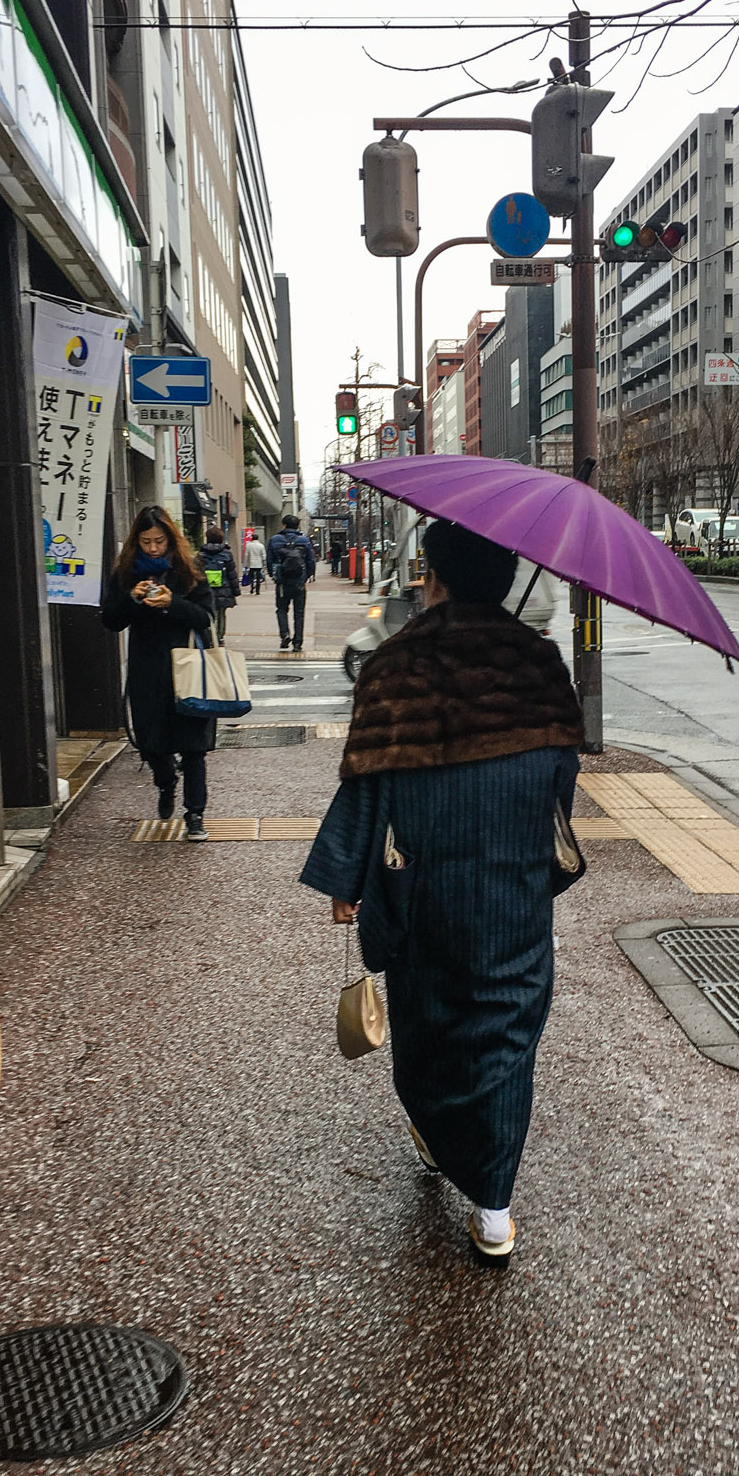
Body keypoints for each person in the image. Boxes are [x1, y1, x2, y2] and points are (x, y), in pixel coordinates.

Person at [300, 520, 585, 1268]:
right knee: (506, 1030)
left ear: (434, 577)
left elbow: (367, 782)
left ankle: (432, 1133)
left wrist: (345, 877)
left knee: (427, 1021)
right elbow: (563, 783)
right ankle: (494, 1207)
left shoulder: (397, 664)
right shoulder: (539, 661)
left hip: (421, 879)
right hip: (513, 884)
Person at [101, 505, 214, 842]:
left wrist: (171, 603)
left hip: (188, 666)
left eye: (159, 541)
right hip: (147, 670)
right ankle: (166, 783)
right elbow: (110, 620)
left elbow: (204, 616)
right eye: (146, 541)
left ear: (171, 540)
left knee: (193, 747)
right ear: (136, 541)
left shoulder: (188, 571)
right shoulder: (125, 573)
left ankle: (195, 814)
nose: (153, 548)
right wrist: (131, 600)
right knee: (151, 743)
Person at [268, 513, 316, 651]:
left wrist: (274, 576)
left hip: (282, 582)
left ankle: (284, 635)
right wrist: (306, 576)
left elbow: (270, 560)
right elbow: (310, 560)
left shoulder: (275, 540)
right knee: (299, 612)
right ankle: (298, 642)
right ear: (297, 526)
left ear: (284, 525)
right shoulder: (304, 540)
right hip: (299, 581)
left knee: (281, 610)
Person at [197, 525, 240, 636]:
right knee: (221, 613)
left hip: (206, 589)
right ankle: (219, 636)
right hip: (223, 589)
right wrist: (236, 591)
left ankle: (210, 635)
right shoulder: (226, 554)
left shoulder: (201, 555)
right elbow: (232, 574)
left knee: (209, 612)